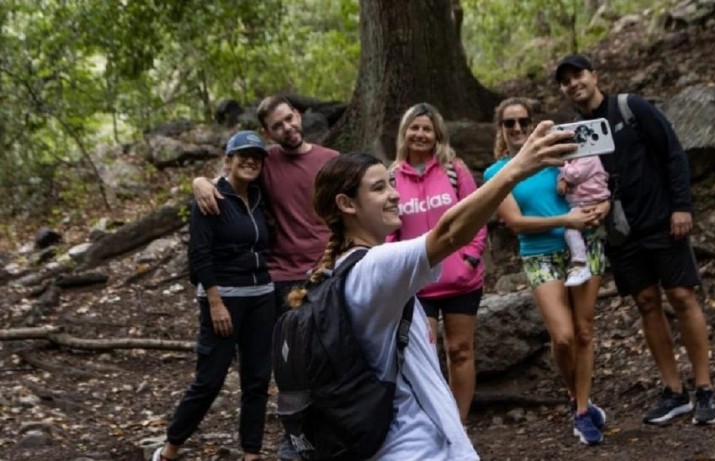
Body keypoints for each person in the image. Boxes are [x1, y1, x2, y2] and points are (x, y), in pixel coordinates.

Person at [285, 120, 597, 460]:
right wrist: (516, 169)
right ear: (347, 204)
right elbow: (448, 233)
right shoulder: (372, 268)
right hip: (416, 450)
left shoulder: (339, 271)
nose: (393, 194)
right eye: (378, 189)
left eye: (391, 184)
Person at [554, 53, 715, 425]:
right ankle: (674, 391)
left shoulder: (630, 108)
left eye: (578, 74)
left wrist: (682, 206)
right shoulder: (578, 131)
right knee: (647, 303)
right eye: (566, 81)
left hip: (662, 220)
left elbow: (673, 152)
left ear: (595, 75)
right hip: (620, 232)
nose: (574, 84)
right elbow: (585, 183)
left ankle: (705, 388)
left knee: (681, 295)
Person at [483, 97, 610, 445]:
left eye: (523, 121)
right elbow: (516, 223)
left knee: (584, 333)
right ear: (501, 129)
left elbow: (595, 181)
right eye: (509, 123)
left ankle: (582, 410)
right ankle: (575, 395)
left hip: (584, 247)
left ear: (534, 124)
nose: (517, 128)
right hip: (539, 254)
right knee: (563, 337)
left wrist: (603, 205)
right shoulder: (498, 173)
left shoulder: (559, 157)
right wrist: (564, 220)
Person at [153, 131, 275, 461]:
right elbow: (200, 255)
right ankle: (169, 449)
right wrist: (215, 302)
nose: (250, 161)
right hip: (225, 298)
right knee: (209, 380)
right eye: (243, 155)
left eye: (256, 156)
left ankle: (251, 453)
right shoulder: (211, 198)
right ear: (229, 160)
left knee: (257, 380)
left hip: (262, 296)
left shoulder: (260, 196)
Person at [192, 95, 339, 316]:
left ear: (298, 115)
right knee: (283, 347)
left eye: (289, 119)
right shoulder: (263, 163)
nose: (287, 128)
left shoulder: (332, 160)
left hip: (327, 269)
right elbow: (226, 181)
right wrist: (199, 182)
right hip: (281, 276)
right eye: (277, 126)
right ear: (266, 134)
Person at [387, 103, 486, 424]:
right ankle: (432, 422)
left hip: (462, 281)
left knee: (460, 350)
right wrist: (395, 268)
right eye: (414, 128)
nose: (420, 134)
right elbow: (387, 228)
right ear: (404, 133)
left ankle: (458, 424)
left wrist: (469, 258)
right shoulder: (391, 176)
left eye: (426, 128)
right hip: (418, 285)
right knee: (423, 358)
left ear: (437, 134)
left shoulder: (455, 170)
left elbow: (477, 217)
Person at [558, 156, 610, 287]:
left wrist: (560, 163)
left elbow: (574, 175)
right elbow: (567, 177)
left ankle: (580, 264)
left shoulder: (589, 157)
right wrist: (561, 180)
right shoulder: (572, 161)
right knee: (573, 230)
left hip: (591, 201)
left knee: (570, 230)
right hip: (581, 203)